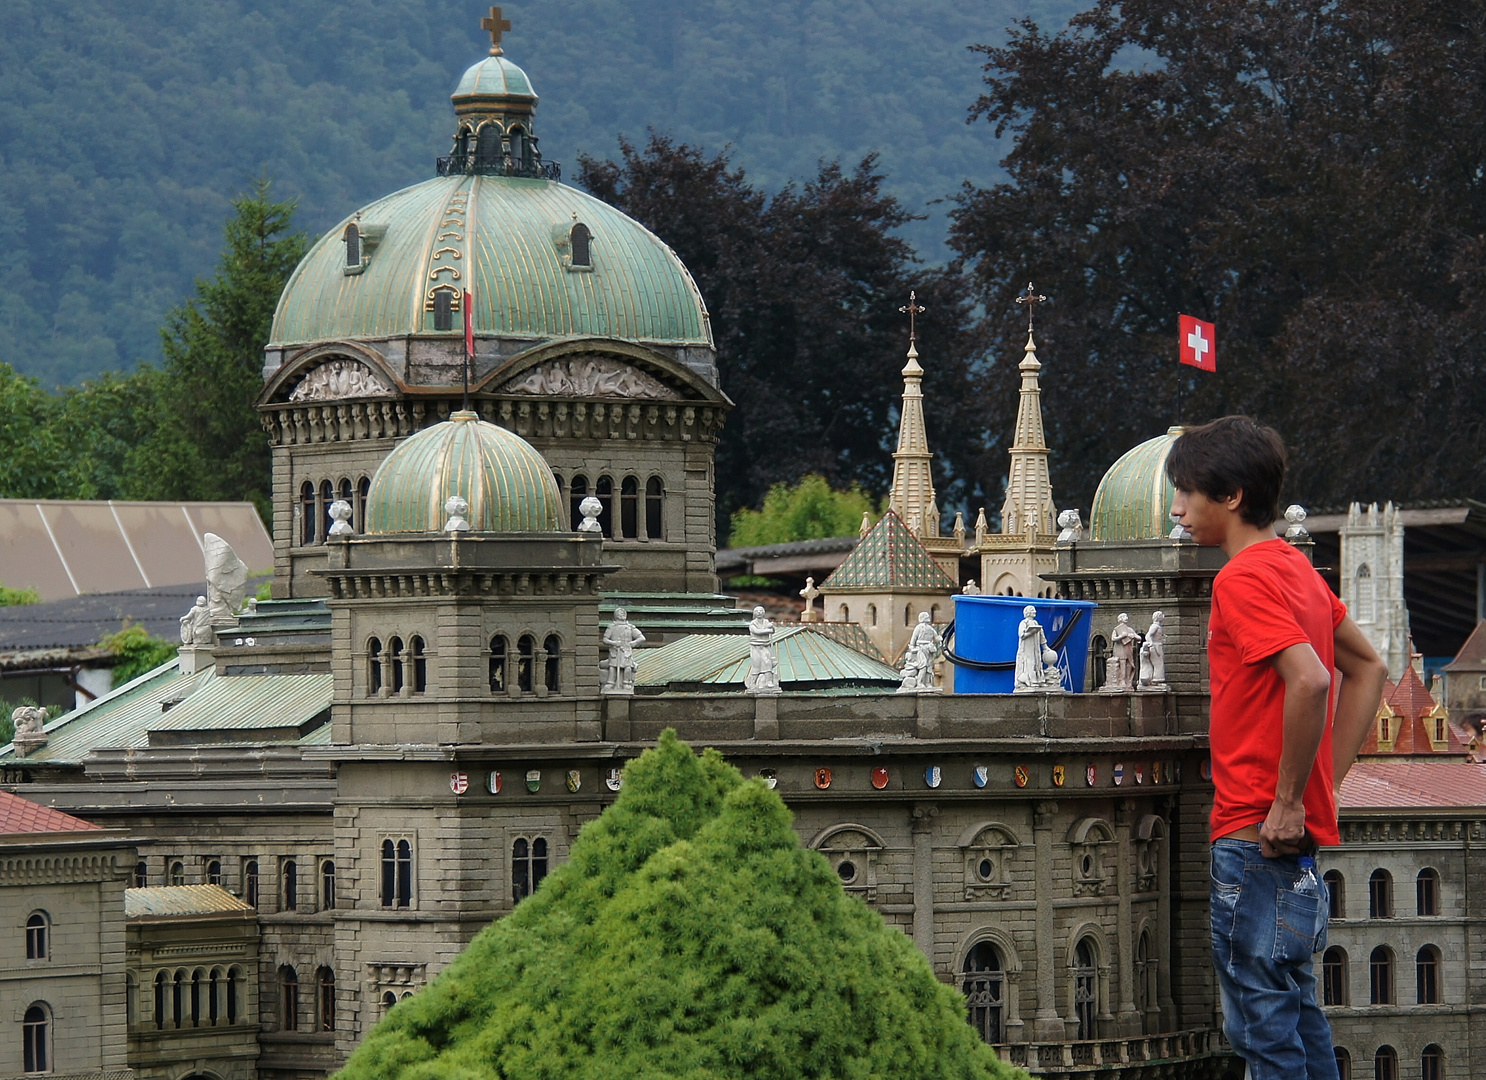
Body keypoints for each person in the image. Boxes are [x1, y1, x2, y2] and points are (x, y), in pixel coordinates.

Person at [1167, 416, 1387, 1080]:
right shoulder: (1297, 568)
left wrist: (1290, 799)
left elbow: (1313, 678)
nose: (1177, 509)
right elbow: (1368, 669)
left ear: (1231, 495)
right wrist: (1330, 782)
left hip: (1254, 833)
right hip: (1290, 838)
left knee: (1261, 1026)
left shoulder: (1242, 579)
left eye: (1186, 491)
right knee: (1295, 1011)